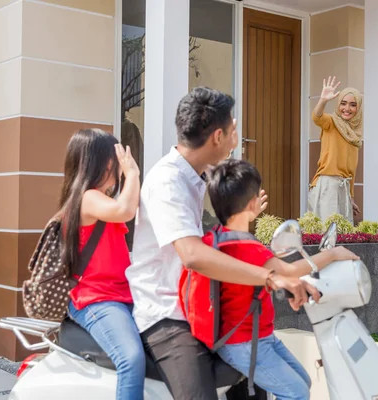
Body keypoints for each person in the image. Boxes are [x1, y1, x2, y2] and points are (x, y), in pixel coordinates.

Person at [126, 86, 320, 400]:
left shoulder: (198, 176)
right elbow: (192, 254)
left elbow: (223, 238)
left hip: (202, 306)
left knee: (272, 380)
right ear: (218, 136)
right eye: (233, 132)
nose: (236, 140)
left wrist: (246, 214)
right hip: (167, 314)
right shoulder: (167, 181)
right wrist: (269, 277)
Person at [198, 159, 360, 400]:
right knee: (295, 393)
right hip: (246, 343)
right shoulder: (247, 247)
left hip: (254, 337)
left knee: (303, 382)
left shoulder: (218, 238)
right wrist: (333, 253)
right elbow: (289, 271)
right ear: (253, 203)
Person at [59, 129, 145, 400]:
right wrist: (133, 174)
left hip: (120, 295)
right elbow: (125, 211)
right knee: (130, 359)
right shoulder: (87, 198)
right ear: (99, 163)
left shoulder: (100, 200)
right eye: (114, 160)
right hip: (97, 299)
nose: (118, 166)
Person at [308, 76, 363, 222]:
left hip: (343, 188)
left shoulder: (355, 136)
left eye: (352, 105)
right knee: (328, 233)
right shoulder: (331, 122)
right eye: (343, 103)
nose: (347, 108)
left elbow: (351, 170)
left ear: (358, 108)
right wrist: (323, 100)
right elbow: (316, 117)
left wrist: (350, 198)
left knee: (344, 234)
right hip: (328, 185)